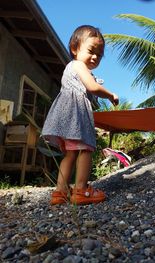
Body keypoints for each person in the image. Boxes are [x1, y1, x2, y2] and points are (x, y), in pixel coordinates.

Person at [41, 25, 119, 205]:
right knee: (85, 149)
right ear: (75, 49)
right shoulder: (78, 64)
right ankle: (81, 189)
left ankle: (60, 192)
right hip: (75, 114)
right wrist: (110, 94)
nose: (95, 57)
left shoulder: (72, 67)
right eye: (91, 51)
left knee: (70, 154)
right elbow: (92, 88)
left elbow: (87, 87)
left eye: (99, 55)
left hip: (65, 115)